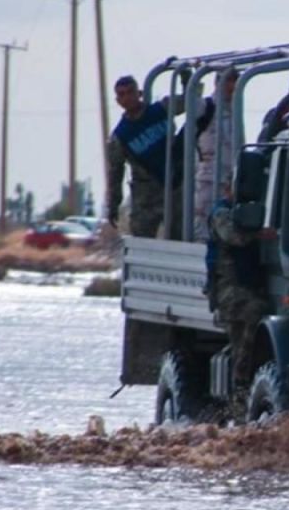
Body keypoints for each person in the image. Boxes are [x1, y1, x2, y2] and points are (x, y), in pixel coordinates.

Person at [105, 75, 185, 238]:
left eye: (130, 92)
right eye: (121, 94)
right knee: (142, 239)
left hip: (174, 186)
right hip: (146, 197)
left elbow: (190, 100)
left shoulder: (162, 109)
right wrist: (113, 205)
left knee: (179, 237)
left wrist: (186, 79)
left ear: (139, 93)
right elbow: (115, 173)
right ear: (117, 100)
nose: (127, 98)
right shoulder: (120, 136)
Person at [210, 198, 268, 404]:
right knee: (255, 311)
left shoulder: (259, 207)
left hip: (252, 287)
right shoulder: (222, 212)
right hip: (229, 287)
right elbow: (232, 236)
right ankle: (240, 380)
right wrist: (260, 234)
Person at [193, 68, 238, 241]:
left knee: (225, 232)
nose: (232, 86)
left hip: (230, 182)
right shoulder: (207, 107)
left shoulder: (236, 110)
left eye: (235, 80)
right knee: (203, 232)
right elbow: (192, 107)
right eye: (228, 80)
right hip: (208, 181)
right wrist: (193, 85)